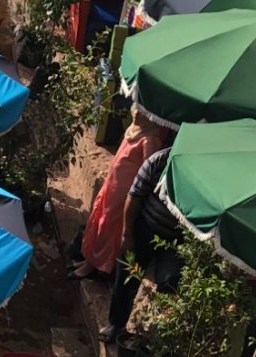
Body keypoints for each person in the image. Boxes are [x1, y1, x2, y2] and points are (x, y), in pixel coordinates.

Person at [98, 144, 182, 343]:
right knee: (127, 274)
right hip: (145, 226)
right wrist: (127, 235)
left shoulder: (202, 174)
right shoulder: (159, 161)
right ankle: (116, 323)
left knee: (169, 283)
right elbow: (134, 197)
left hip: (176, 239)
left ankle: (153, 336)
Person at [73, 107, 168, 280]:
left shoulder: (150, 140)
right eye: (137, 107)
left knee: (107, 227)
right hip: (112, 186)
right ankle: (89, 259)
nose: (137, 113)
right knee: (98, 217)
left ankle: (95, 265)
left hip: (124, 194)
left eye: (144, 111)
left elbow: (147, 173)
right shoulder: (134, 129)